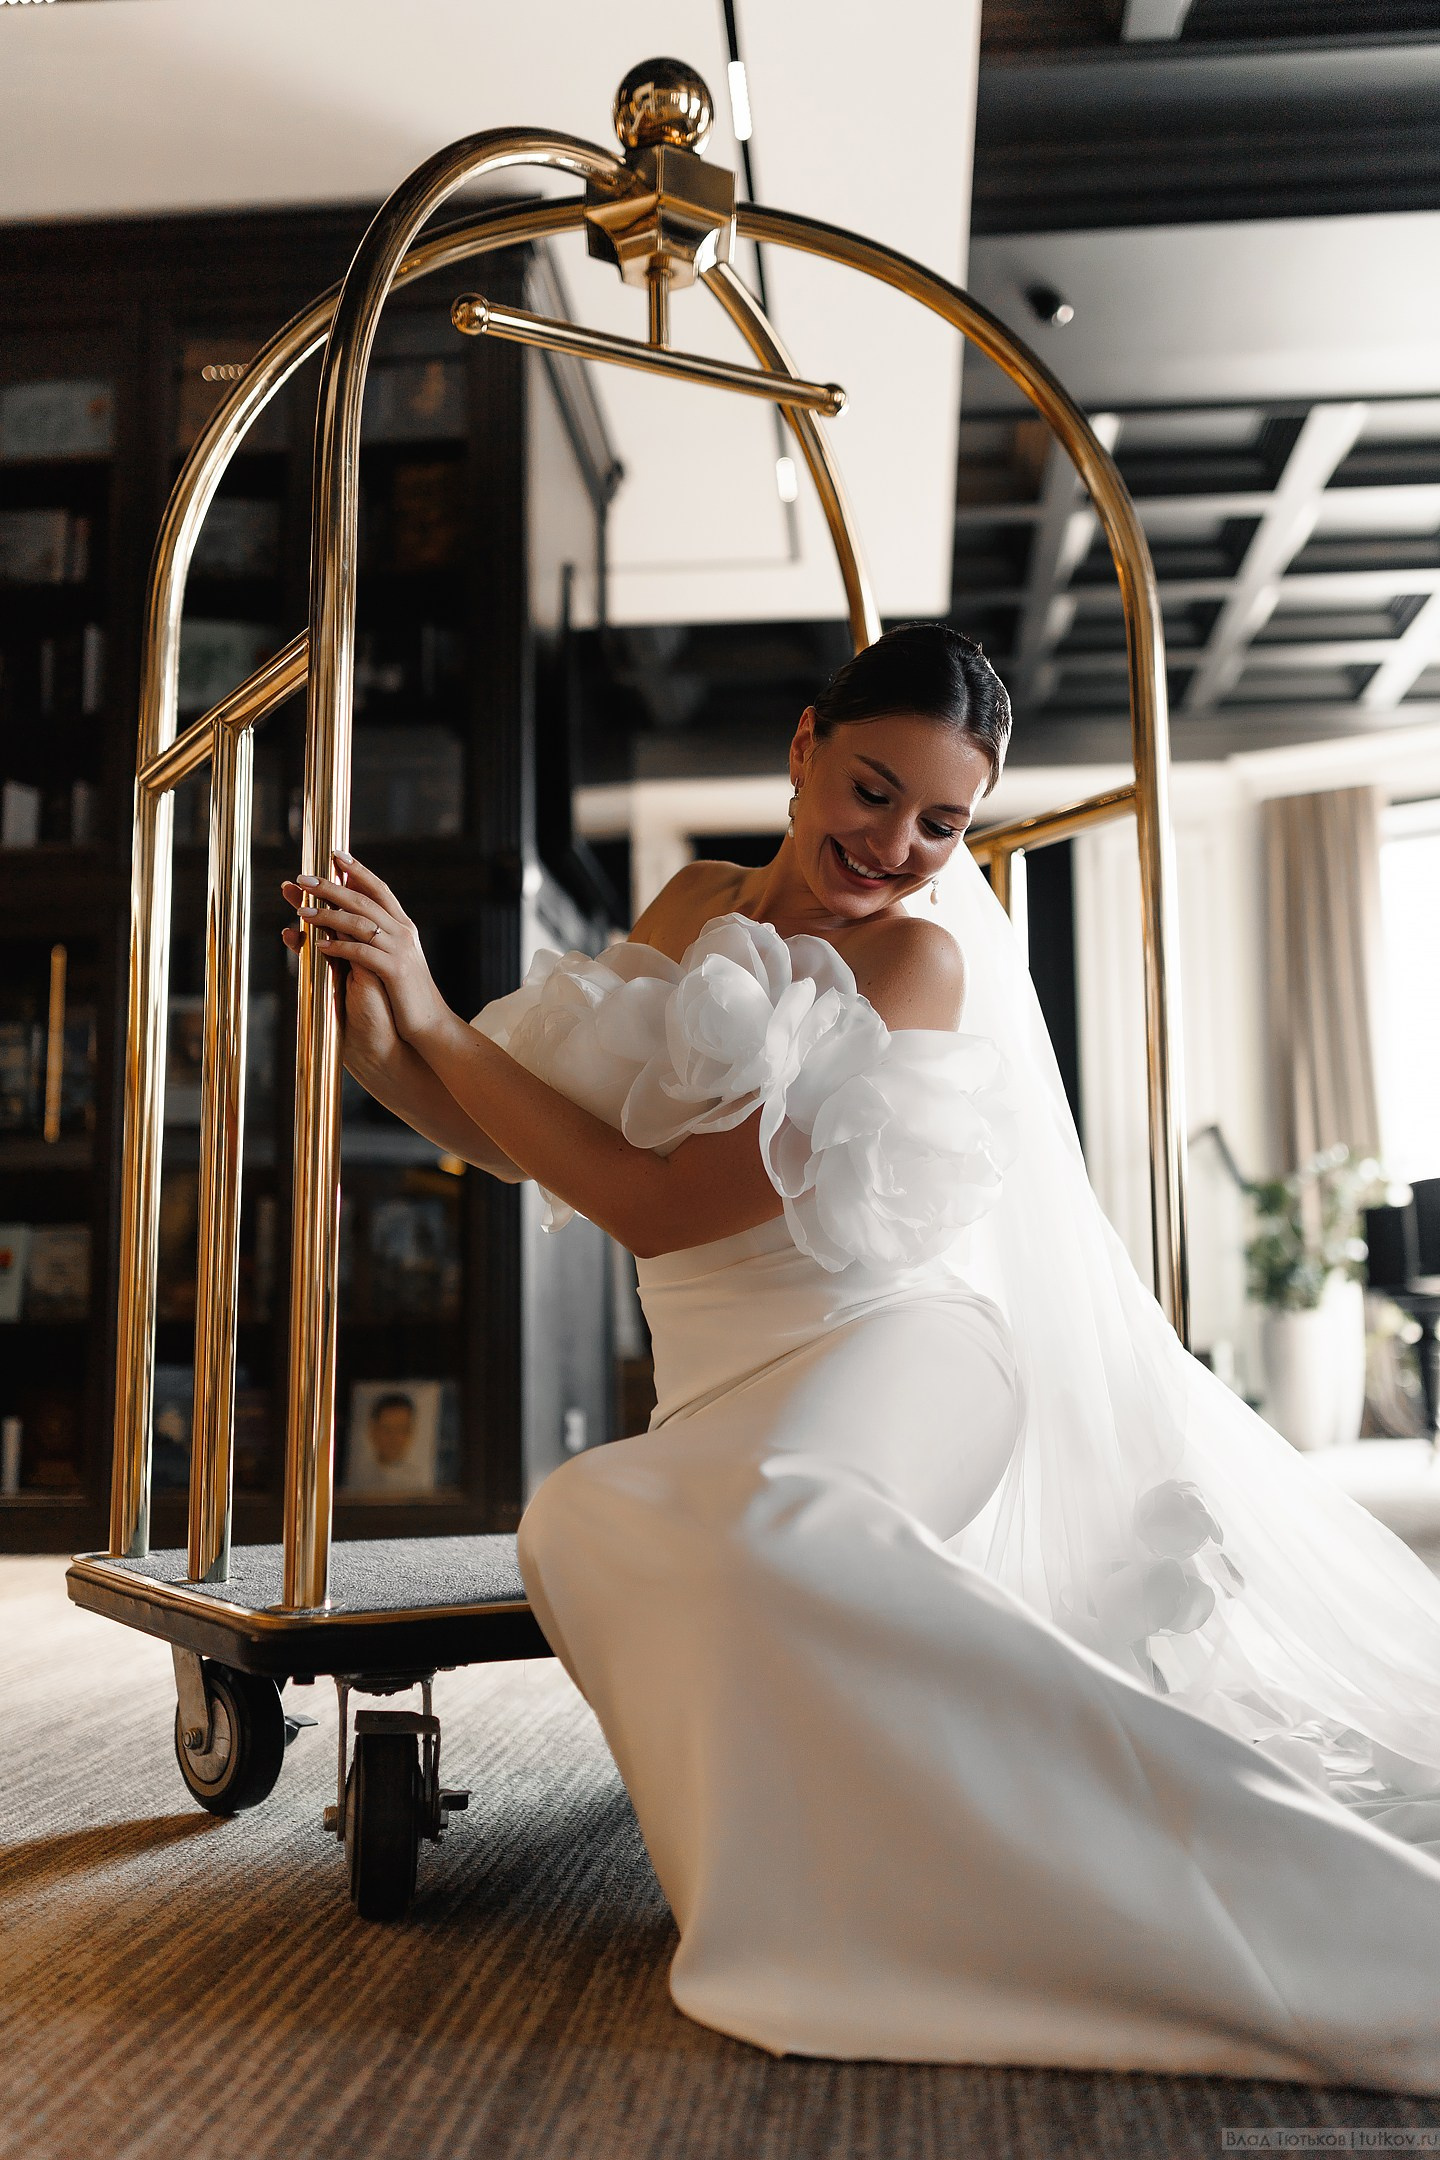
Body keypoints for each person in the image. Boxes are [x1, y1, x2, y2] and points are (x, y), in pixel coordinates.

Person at [283, 624, 1440, 2091]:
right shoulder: (692, 901)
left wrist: (439, 1015)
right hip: (719, 1386)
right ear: (804, 749)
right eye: (873, 792)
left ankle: (1301, 1925)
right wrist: (381, 1026)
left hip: (899, 1348)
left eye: (941, 823)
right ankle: (862, 1880)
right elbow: (530, 1135)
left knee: (784, 1521)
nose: (896, 848)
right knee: (582, 1514)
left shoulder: (915, 961)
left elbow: (659, 1204)